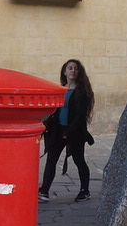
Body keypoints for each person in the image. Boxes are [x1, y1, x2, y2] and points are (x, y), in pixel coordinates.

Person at [40, 59, 94, 202]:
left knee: (79, 160)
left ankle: (85, 190)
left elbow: (80, 115)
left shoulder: (83, 92)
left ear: (79, 72)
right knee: (51, 160)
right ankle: (44, 191)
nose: (73, 71)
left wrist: (68, 132)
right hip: (58, 130)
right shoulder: (61, 90)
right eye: (70, 68)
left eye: (75, 68)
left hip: (75, 132)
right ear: (64, 71)